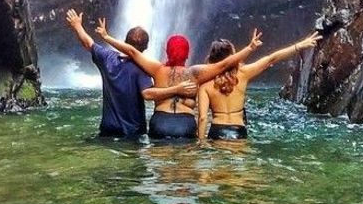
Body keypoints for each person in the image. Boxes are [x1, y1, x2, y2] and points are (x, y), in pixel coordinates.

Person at [95, 19, 263, 140]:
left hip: (159, 123)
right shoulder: (196, 72)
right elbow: (225, 64)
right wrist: (250, 48)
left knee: (161, 172)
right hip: (185, 125)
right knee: (183, 177)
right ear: (188, 53)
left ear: (167, 51)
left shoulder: (157, 69)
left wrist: (107, 37)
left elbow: (132, 52)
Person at [197, 32, 322, 141]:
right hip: (238, 131)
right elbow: (271, 59)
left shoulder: (205, 84)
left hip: (217, 131)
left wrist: (201, 142)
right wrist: (300, 45)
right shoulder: (243, 74)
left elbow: (202, 118)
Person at [65, 9, 152, 140]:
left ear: (124, 42)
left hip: (107, 130)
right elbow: (149, 94)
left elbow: (88, 43)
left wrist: (77, 25)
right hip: (134, 133)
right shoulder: (143, 69)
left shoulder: (107, 58)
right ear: (145, 48)